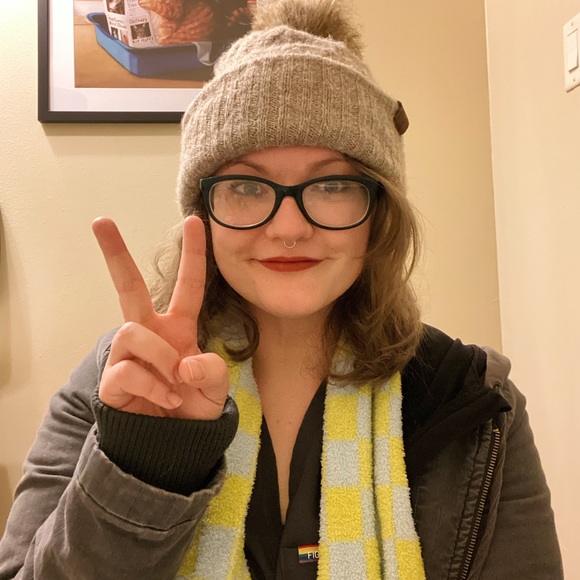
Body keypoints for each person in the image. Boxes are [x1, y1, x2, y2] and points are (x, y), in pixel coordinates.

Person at [0, 0, 563, 578]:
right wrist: (142, 463)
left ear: (378, 211)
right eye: (247, 187)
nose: (289, 228)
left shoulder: (476, 404)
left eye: (332, 185)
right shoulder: (115, 384)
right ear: (204, 215)